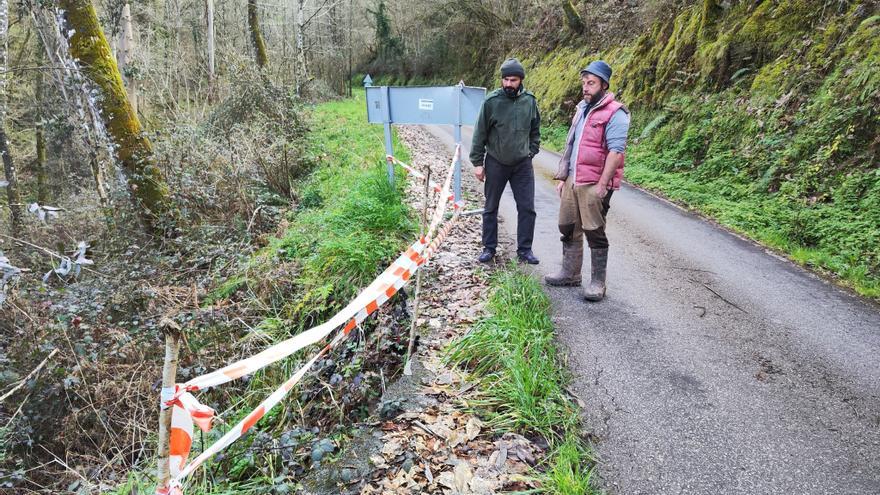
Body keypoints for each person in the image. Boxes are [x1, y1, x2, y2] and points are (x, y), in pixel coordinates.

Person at [544, 60, 630, 301]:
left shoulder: (616, 113)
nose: (585, 87)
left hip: (594, 182)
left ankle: (598, 282)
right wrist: (564, 176)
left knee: (594, 230)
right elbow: (571, 144)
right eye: (584, 83)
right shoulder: (582, 108)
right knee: (568, 225)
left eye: (591, 83)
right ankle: (570, 273)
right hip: (574, 178)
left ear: (604, 84)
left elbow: (616, 152)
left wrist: (603, 185)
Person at [469, 58, 541, 264]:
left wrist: (531, 151)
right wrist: (478, 163)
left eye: (514, 80)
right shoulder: (492, 102)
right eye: (506, 79)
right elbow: (479, 133)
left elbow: (535, 130)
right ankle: (489, 248)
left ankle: (525, 250)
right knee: (491, 207)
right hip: (496, 162)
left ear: (521, 80)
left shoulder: (530, 101)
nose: (509, 84)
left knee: (527, 208)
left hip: (522, 165)